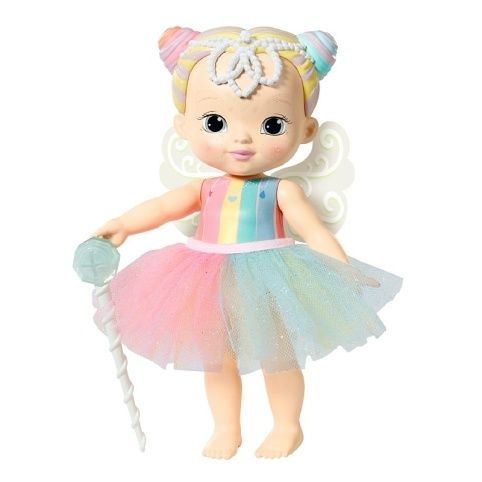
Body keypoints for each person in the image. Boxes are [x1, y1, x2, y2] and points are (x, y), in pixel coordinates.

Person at [92, 26, 402, 459]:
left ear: (306, 129)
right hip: (205, 277)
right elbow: (162, 207)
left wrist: (342, 270)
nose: (241, 139)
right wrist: (124, 224)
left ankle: (288, 425)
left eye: (272, 125)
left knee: (279, 355)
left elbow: (315, 232)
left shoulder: (280, 191)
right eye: (215, 123)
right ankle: (226, 428)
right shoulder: (204, 188)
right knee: (218, 357)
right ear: (183, 125)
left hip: (270, 277)